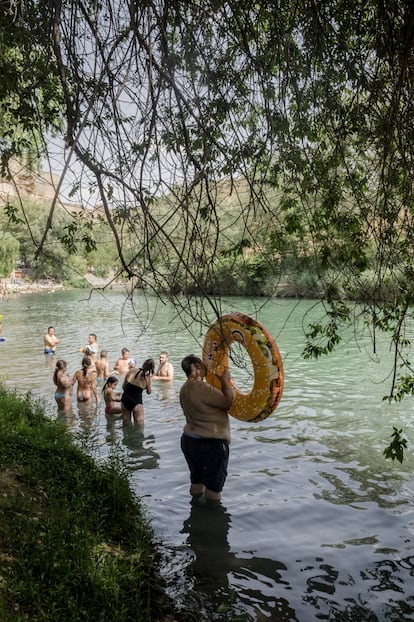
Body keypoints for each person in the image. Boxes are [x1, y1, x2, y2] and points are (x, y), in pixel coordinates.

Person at [179, 354, 234, 506]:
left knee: (196, 481)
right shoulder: (200, 386)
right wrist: (225, 381)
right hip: (210, 443)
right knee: (213, 489)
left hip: (189, 440)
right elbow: (227, 402)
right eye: (202, 364)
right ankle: (210, 522)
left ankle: (195, 509)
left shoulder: (183, 389)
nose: (206, 367)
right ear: (197, 366)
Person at [121, 358, 154, 425]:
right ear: (152, 369)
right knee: (139, 426)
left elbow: (123, 386)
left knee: (126, 424)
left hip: (125, 399)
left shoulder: (132, 370)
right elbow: (149, 392)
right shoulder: (147, 378)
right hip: (137, 401)